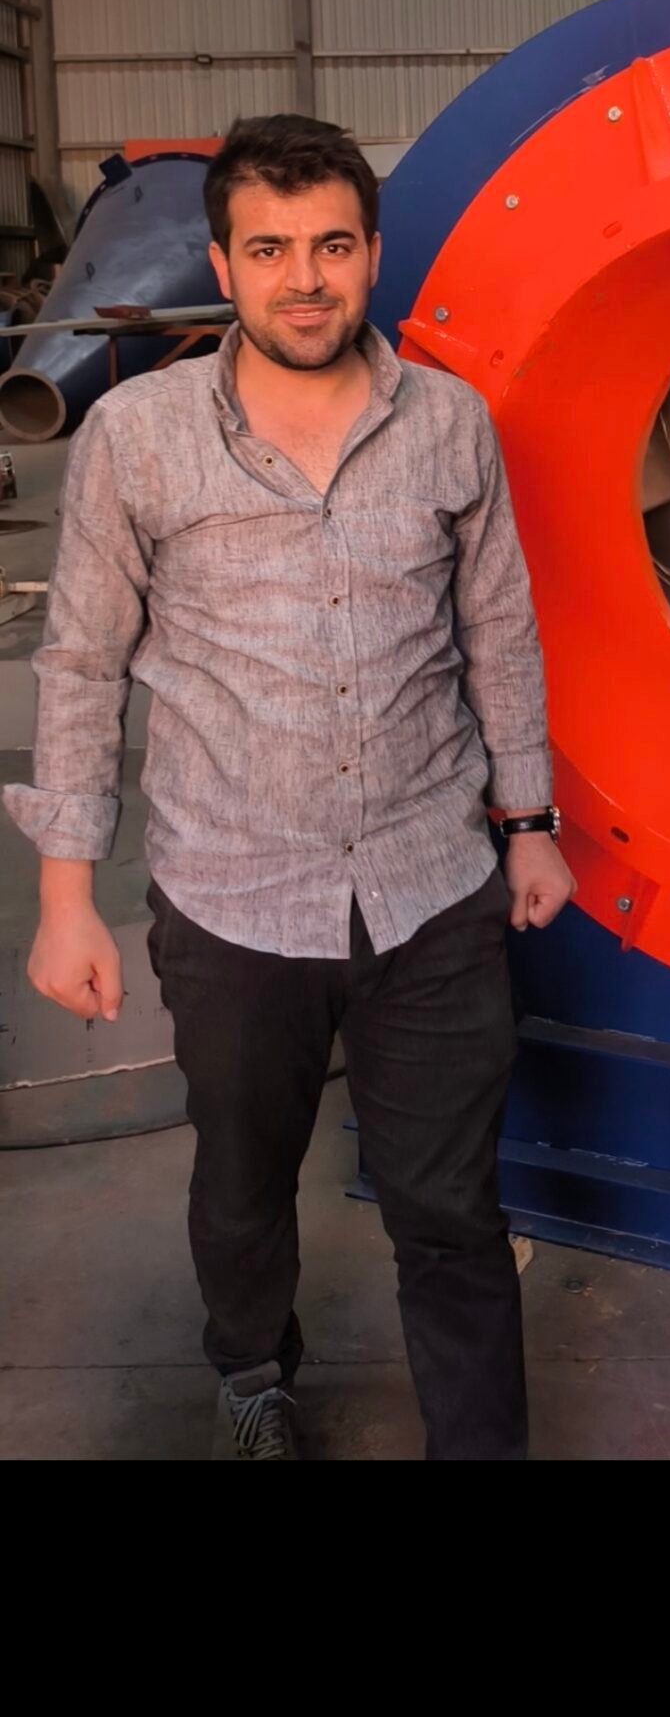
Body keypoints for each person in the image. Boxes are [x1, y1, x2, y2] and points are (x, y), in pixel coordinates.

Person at [8, 114, 574, 1462]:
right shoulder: (139, 436)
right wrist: (66, 902)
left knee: (451, 1210)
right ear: (223, 264)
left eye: (330, 246)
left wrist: (530, 825)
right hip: (231, 898)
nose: (304, 280)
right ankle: (254, 1372)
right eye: (268, 251)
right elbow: (81, 665)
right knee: (243, 1182)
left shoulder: (450, 424)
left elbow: (499, 633)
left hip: (432, 888)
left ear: (371, 252)